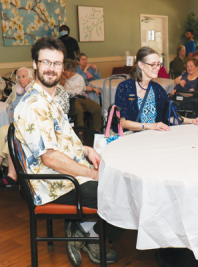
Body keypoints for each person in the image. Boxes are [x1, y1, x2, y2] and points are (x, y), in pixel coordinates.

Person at [13, 36, 124, 265]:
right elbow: (51, 158)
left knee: (121, 180)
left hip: (68, 173)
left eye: (56, 63)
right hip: (54, 184)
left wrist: (85, 149)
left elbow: (59, 139)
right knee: (122, 192)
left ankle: (81, 229)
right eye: (45, 62)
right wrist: (93, 174)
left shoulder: (50, 99)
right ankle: (90, 234)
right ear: (35, 64)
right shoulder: (34, 106)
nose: (51, 69)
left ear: (63, 67)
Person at [0, 68, 70, 187]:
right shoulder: (27, 90)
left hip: (41, 126)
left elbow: (61, 113)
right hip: (23, 123)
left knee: (14, 133)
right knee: (2, 131)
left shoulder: (57, 90)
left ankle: (12, 175)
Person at [114, 46, 198, 133]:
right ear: (140, 65)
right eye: (153, 64)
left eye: (159, 64)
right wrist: (150, 126)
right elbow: (123, 122)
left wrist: (193, 120)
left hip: (154, 138)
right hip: (132, 139)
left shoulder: (157, 89)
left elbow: (170, 116)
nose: (157, 68)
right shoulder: (125, 88)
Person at [62, 59, 102, 132]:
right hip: (71, 99)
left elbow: (84, 88)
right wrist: (64, 79)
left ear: (72, 71)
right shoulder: (62, 78)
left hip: (82, 96)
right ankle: (80, 131)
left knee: (97, 108)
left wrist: (93, 89)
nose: (65, 72)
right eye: (64, 70)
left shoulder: (79, 77)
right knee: (78, 109)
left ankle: (97, 130)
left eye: (67, 70)